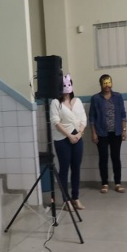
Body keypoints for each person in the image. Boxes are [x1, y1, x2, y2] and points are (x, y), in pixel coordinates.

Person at [49, 74, 87, 210]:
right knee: (64, 169)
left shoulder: (77, 101)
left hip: (78, 138)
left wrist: (79, 133)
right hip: (62, 139)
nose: (66, 88)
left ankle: (75, 198)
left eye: (68, 84)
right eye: (63, 85)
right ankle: (66, 200)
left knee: (76, 168)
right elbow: (56, 122)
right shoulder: (55, 103)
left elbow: (83, 119)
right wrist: (69, 136)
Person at [88, 74, 127, 194]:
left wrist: (124, 130)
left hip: (116, 133)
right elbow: (92, 117)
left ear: (111, 83)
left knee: (116, 158)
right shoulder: (95, 98)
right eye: (104, 83)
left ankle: (118, 183)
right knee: (103, 158)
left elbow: (123, 114)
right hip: (101, 133)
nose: (107, 85)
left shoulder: (118, 97)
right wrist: (93, 133)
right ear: (100, 84)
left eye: (108, 83)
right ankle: (104, 183)